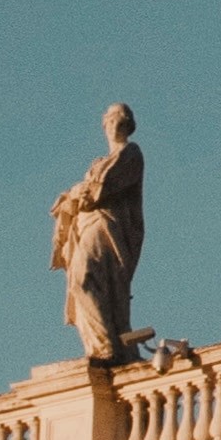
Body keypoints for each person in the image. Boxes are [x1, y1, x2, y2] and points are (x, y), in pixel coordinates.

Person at [51, 105, 147, 362]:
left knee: (86, 278)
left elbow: (99, 190)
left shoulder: (131, 153)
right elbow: (89, 192)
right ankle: (104, 345)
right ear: (105, 125)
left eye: (121, 119)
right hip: (88, 226)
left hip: (108, 228)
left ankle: (106, 347)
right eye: (112, 119)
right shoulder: (98, 163)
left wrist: (77, 193)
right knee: (89, 283)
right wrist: (76, 195)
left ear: (129, 125)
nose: (116, 123)